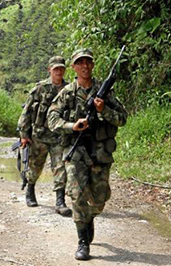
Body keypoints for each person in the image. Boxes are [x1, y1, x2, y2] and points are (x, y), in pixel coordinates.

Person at [47, 48, 128, 260]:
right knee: (77, 195)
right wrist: (73, 125)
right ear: (73, 67)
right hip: (75, 152)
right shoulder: (67, 93)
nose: (84, 66)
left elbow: (122, 118)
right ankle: (83, 241)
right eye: (79, 62)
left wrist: (104, 111)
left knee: (100, 199)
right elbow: (52, 119)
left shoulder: (104, 91)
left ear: (92, 65)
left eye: (88, 62)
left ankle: (88, 218)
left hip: (100, 152)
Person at [17, 56, 72, 216]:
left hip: (59, 137)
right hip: (39, 135)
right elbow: (26, 112)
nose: (59, 72)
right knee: (35, 166)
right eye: (56, 69)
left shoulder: (69, 89)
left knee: (60, 168)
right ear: (50, 70)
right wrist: (24, 135)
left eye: (61, 68)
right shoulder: (40, 89)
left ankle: (60, 201)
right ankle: (30, 190)